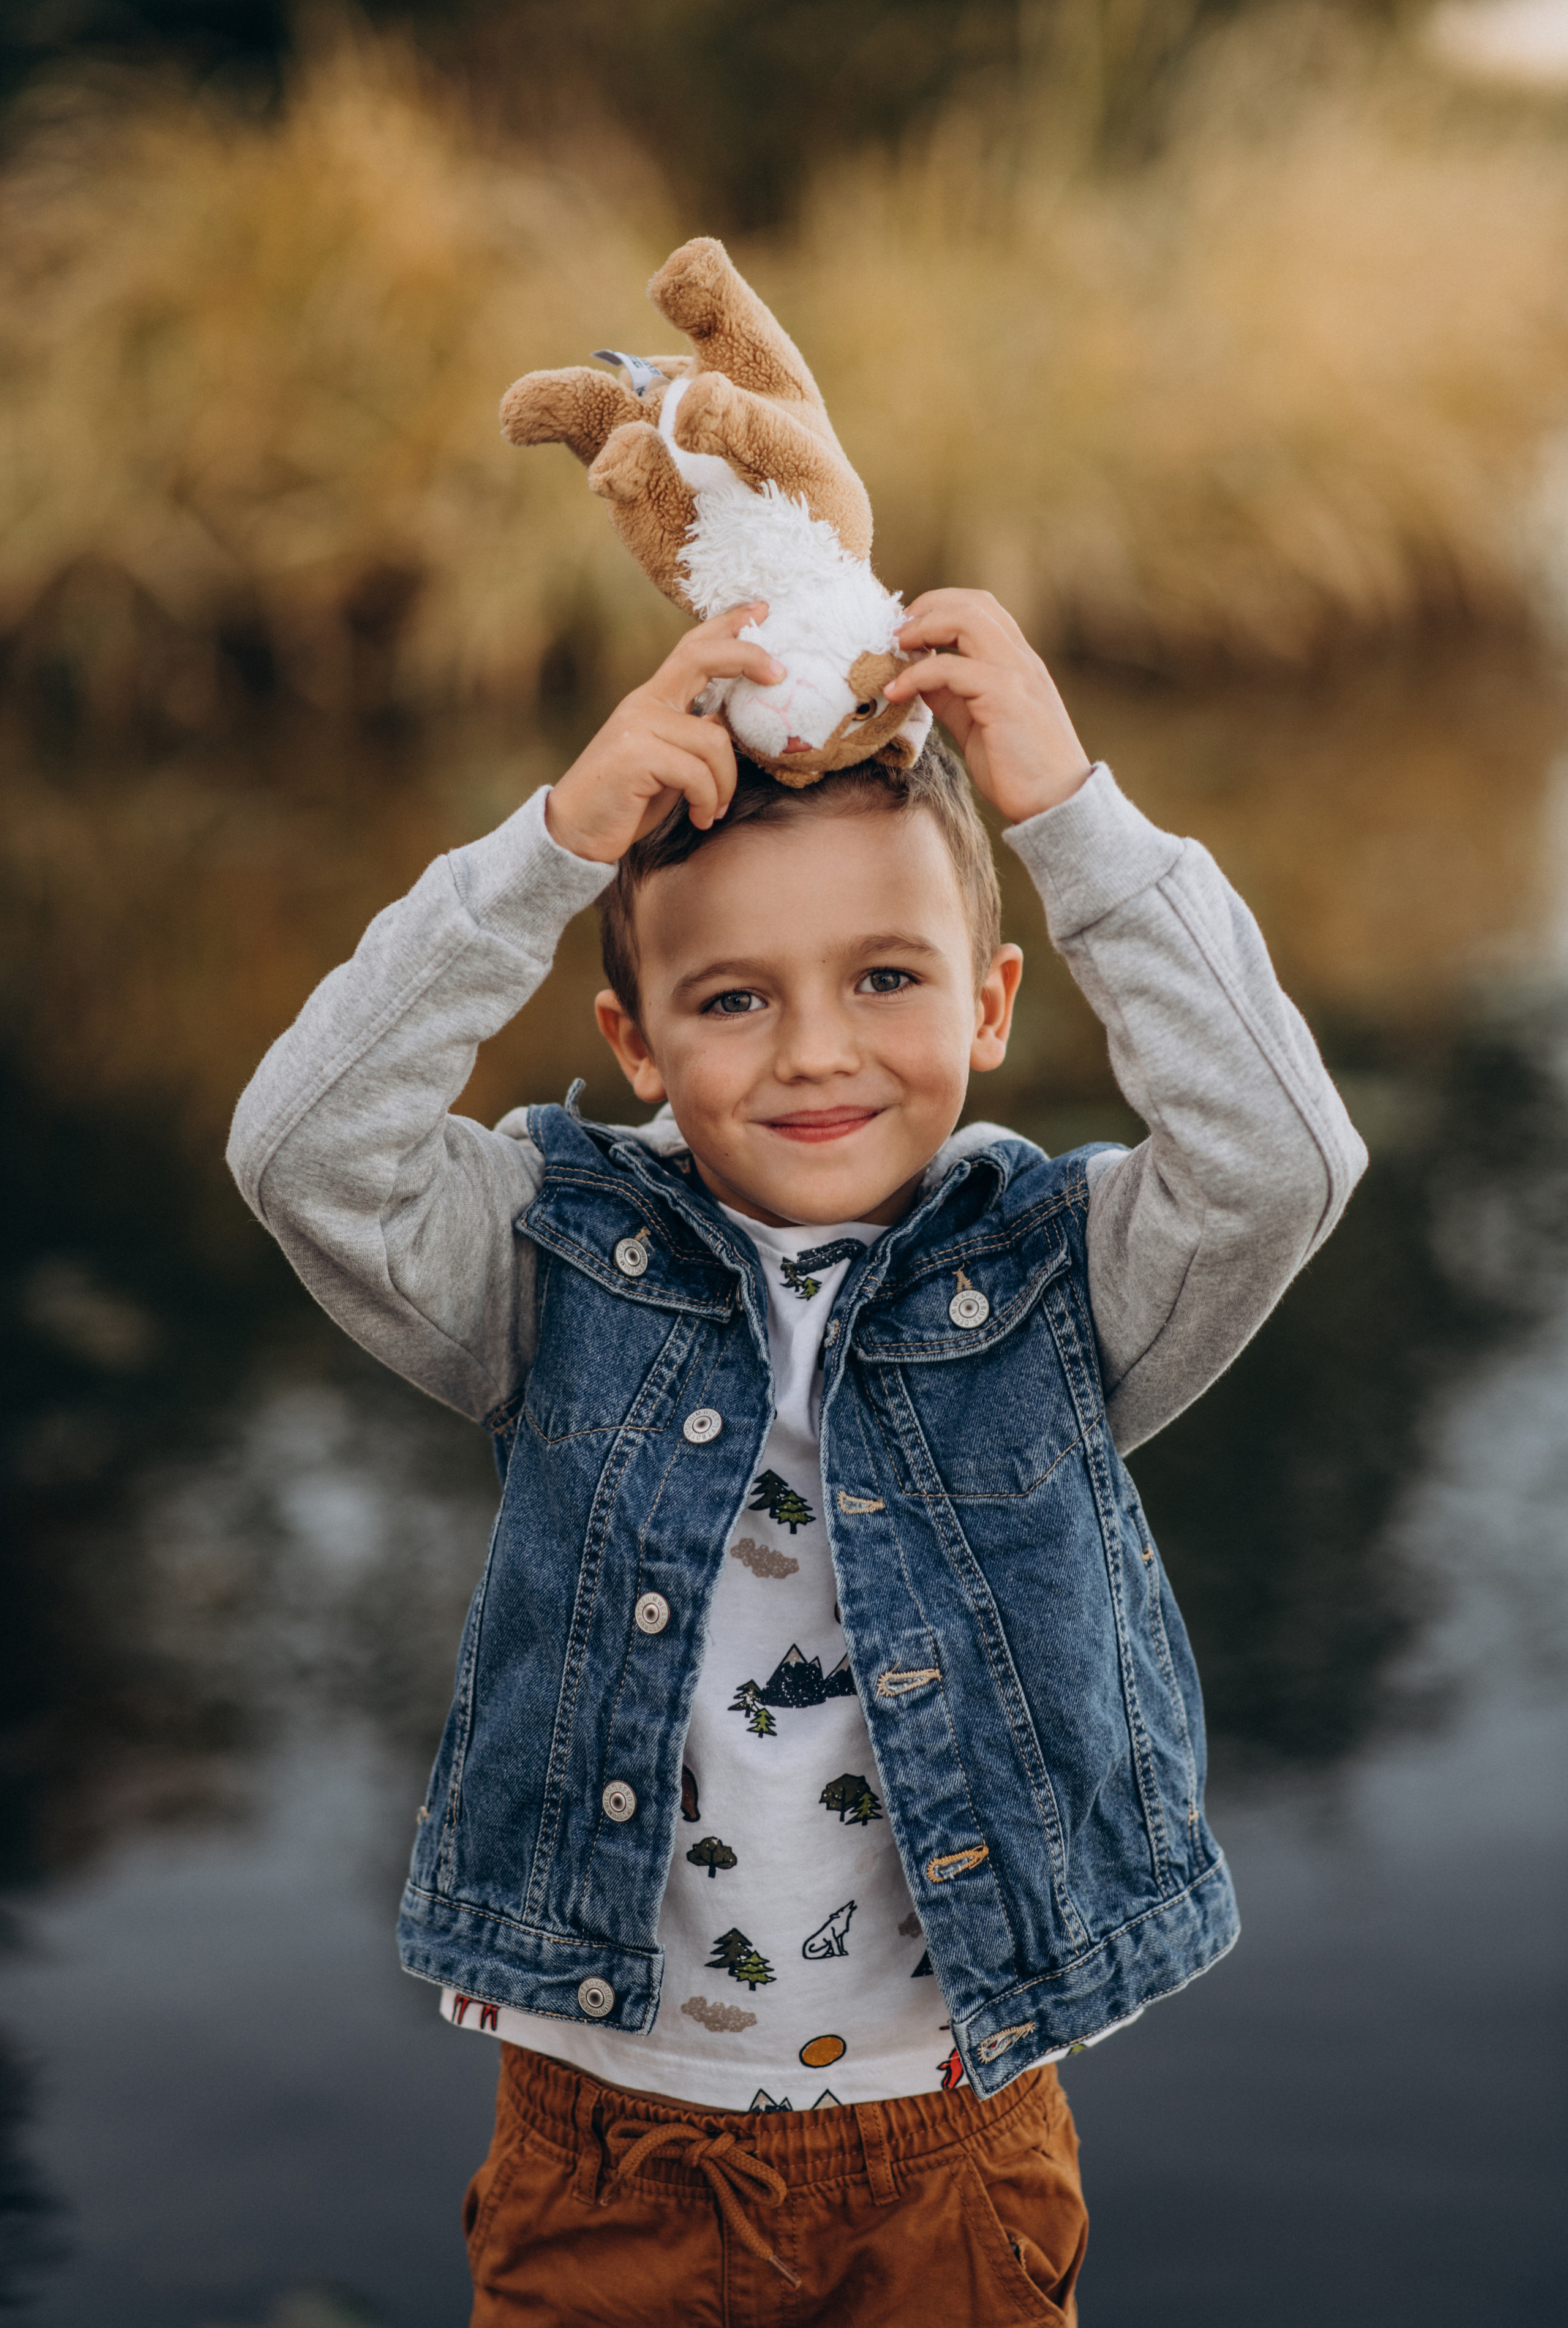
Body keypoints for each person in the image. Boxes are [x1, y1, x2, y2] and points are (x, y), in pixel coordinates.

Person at [227, 589, 1365, 2326]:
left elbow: (1284, 1157)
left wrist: (1067, 816)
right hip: (605, 2135)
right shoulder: (549, 1260)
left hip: (952, 2137)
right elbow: (304, 1152)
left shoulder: (1060, 1281)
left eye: (887, 978)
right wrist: (552, 848)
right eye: (734, 998)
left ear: (990, 1004)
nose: (817, 1050)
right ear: (637, 1042)